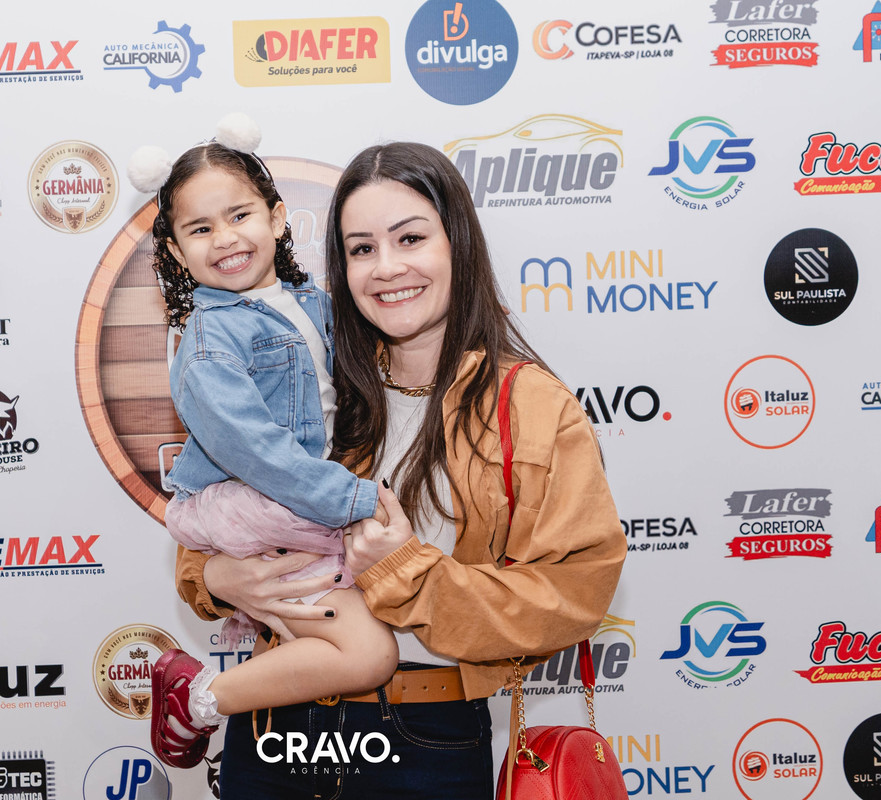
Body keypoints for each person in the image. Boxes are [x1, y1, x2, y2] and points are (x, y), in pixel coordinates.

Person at [175, 141, 626, 799]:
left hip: (426, 738)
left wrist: (407, 572)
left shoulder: (529, 405)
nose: (387, 268)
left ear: (457, 244)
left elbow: (572, 597)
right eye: (362, 249)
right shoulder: (318, 373)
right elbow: (226, 505)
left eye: (410, 238)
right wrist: (216, 577)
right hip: (275, 722)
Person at [128, 120, 399, 771]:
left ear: (277, 218)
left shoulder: (313, 304)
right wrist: (355, 498)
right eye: (200, 229)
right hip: (258, 500)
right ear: (176, 251)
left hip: (293, 497)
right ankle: (197, 698)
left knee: (355, 619)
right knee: (368, 653)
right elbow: (254, 449)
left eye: (240, 215)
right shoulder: (209, 339)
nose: (225, 238)